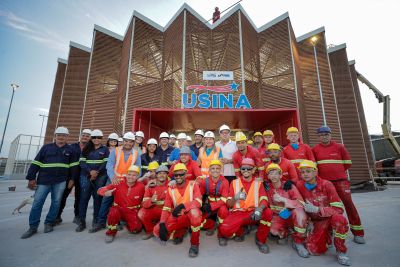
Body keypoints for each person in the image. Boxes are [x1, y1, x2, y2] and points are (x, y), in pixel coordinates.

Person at [21, 127, 78, 239]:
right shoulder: (46, 148)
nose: (61, 137)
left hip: (60, 181)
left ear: (67, 137)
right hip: (44, 180)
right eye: (59, 135)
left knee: (56, 202)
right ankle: (33, 226)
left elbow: (74, 166)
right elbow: (36, 162)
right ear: (55, 136)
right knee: (37, 203)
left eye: (63, 135)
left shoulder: (71, 150)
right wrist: (31, 178)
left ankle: (49, 222)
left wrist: (72, 180)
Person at [312, 126, 365, 244]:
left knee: (349, 205)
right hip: (325, 183)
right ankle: (329, 231)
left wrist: (337, 173)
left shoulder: (340, 147)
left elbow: (347, 164)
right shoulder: (315, 149)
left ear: (330, 135)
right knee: (326, 206)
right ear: (318, 137)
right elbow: (314, 167)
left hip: (341, 181)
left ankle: (358, 233)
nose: (324, 136)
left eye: (326, 134)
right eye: (321, 135)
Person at [296, 160, 351, 266]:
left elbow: (338, 209)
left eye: (308, 171)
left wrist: (318, 209)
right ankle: (327, 237)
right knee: (314, 250)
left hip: (328, 217)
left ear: (315, 172)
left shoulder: (327, 184)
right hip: (315, 221)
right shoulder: (300, 185)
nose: (305, 174)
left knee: (340, 219)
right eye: (302, 172)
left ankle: (341, 251)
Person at [219, 158, 273, 253]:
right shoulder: (234, 183)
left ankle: (261, 240)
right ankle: (241, 231)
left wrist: (259, 209)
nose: (246, 171)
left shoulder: (258, 183)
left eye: (249, 168)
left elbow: (264, 199)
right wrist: (235, 198)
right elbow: (229, 204)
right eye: (243, 168)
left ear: (253, 170)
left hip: (254, 213)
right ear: (240, 170)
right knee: (224, 230)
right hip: (238, 213)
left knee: (268, 212)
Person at [93, 132, 141, 233]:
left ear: (133, 142)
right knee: (106, 200)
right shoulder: (116, 150)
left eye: (130, 141)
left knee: (121, 202)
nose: (128, 143)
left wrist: (133, 180)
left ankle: (117, 222)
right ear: (123, 141)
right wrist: (112, 177)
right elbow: (109, 165)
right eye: (126, 141)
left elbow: (138, 169)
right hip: (114, 179)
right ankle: (100, 222)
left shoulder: (136, 153)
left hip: (127, 182)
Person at [153, 163, 203, 258]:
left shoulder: (193, 185)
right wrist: (162, 223)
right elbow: (166, 207)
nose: (179, 177)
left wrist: (183, 206)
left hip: (191, 215)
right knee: (157, 230)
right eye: (176, 175)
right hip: (178, 216)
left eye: (181, 174)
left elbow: (198, 202)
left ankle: (194, 244)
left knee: (195, 213)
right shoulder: (170, 188)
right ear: (173, 176)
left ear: (186, 174)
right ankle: (181, 231)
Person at [265, 163, 309, 258]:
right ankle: (288, 232)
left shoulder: (288, 186)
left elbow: (301, 203)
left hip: (292, 214)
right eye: (271, 173)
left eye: (276, 173)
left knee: (300, 213)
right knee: (273, 231)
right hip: (279, 216)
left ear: (281, 175)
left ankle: (298, 242)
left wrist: (284, 199)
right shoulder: (267, 188)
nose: (273, 176)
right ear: (268, 176)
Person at [98, 165, 145, 243]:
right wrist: (105, 192)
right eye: (129, 174)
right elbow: (100, 190)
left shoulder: (141, 186)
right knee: (113, 212)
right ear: (126, 175)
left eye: (134, 175)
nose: (131, 177)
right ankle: (111, 233)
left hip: (132, 211)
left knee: (136, 229)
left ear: (137, 177)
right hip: (118, 209)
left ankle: (126, 223)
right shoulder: (118, 183)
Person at [76, 129, 110, 232]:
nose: (96, 139)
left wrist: (96, 172)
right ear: (92, 138)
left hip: (100, 176)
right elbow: (82, 162)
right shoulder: (86, 148)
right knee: (84, 199)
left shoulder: (105, 149)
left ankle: (96, 221)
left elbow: (105, 163)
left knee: (97, 199)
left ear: (101, 139)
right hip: (86, 176)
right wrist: (90, 172)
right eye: (94, 137)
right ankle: (82, 222)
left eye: (98, 138)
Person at [56, 128, 91, 225]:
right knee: (63, 196)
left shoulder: (91, 149)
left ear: (90, 138)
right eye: (83, 135)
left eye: (87, 136)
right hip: (70, 175)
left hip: (83, 176)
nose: (85, 137)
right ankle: (57, 216)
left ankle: (77, 216)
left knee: (79, 197)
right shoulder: (72, 147)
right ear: (80, 136)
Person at [197, 159, 229, 244]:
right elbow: (199, 195)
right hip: (209, 206)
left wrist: (211, 206)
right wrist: (200, 206)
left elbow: (224, 199)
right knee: (197, 221)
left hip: (220, 206)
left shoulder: (225, 182)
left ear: (221, 170)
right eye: (213, 168)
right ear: (209, 170)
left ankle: (222, 234)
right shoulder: (205, 181)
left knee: (223, 210)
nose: (215, 170)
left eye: (217, 168)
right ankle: (213, 225)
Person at [138, 165, 169, 240]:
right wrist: (151, 200)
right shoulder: (151, 186)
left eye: (164, 173)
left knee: (163, 232)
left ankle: (159, 227)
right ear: (156, 175)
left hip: (167, 210)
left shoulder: (171, 185)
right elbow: (144, 203)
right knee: (141, 213)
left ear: (167, 175)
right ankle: (150, 231)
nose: (162, 175)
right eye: (159, 173)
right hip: (155, 209)